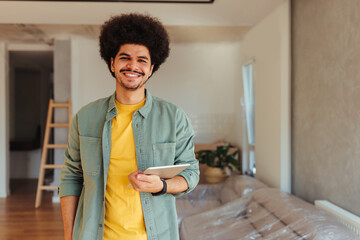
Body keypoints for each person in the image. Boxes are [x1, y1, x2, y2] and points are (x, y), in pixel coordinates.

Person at [58, 13, 199, 240]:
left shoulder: (174, 117)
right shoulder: (85, 118)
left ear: (151, 68)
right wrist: (68, 236)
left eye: (142, 60)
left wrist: (160, 186)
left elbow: (191, 174)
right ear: (112, 63)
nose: (133, 65)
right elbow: (71, 179)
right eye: (125, 58)